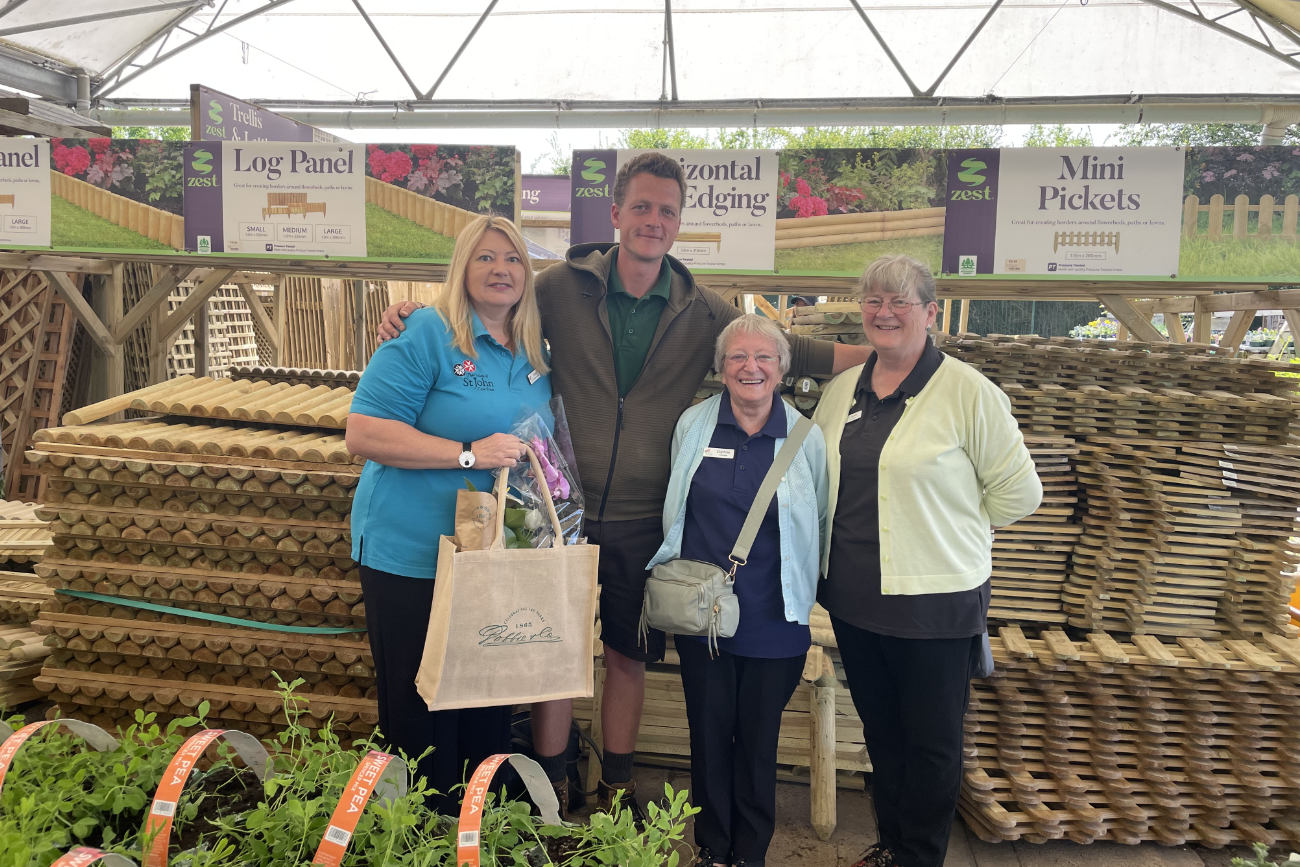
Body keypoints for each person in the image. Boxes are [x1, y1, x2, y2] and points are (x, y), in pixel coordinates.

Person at [379, 152, 869, 819]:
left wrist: (885, 352)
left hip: (645, 517)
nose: (653, 220)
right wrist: (411, 310)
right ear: (615, 213)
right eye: (641, 206)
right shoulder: (558, 288)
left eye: (667, 210)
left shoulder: (701, 311)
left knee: (626, 654)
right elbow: (482, 301)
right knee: (551, 651)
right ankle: (550, 790)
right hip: (555, 509)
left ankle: (614, 784)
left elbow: (787, 349)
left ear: (678, 223)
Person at [811, 255, 1042, 867]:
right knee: (884, 736)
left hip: (935, 605)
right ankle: (891, 845)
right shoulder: (842, 392)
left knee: (932, 744)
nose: (884, 313)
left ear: (930, 313)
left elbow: (1020, 494)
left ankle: (920, 857)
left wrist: (951, 528)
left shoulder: (968, 393)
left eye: (900, 302)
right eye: (873, 301)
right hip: (856, 600)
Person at [346, 215, 553, 815]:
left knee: (486, 700)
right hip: (410, 551)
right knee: (420, 705)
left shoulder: (535, 349)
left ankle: (474, 828)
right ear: (461, 268)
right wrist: (467, 453)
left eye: (512, 259)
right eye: (485, 258)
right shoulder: (427, 335)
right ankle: (419, 835)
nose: (500, 270)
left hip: (488, 556)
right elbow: (363, 432)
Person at [647, 315, 827, 867]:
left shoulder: (806, 437)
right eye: (738, 357)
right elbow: (674, 506)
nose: (751, 367)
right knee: (708, 734)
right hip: (705, 617)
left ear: (781, 368)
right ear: (721, 367)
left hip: (776, 620)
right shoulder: (694, 426)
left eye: (764, 357)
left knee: (757, 742)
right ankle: (711, 849)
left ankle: (750, 853)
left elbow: (818, 516)